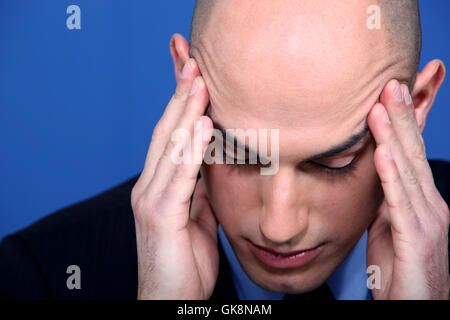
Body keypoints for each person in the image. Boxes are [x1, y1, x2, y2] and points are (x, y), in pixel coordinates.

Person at [1, 0, 449, 300]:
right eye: (238, 153)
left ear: (418, 102)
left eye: (334, 163)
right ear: (186, 82)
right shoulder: (40, 276)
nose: (278, 227)